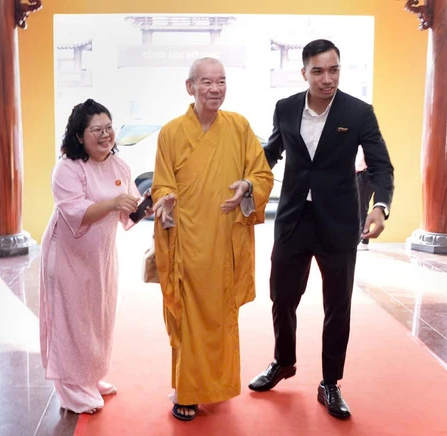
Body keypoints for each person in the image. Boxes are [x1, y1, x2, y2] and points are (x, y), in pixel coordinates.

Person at [248, 39, 395, 419]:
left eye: (334, 70)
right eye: (318, 71)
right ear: (304, 73)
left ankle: (330, 383)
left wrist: (380, 206)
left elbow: (381, 165)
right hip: (294, 219)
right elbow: (271, 152)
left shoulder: (358, 112)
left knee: (337, 306)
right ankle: (283, 361)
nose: (327, 79)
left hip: (339, 222)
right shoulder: (285, 108)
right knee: (282, 297)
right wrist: (248, 180)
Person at [151, 57, 274, 421]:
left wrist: (247, 186)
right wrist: (165, 201)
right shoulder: (171, 132)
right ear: (190, 87)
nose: (215, 89)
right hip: (187, 242)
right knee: (189, 318)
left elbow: (262, 174)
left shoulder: (238, 127)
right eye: (206, 82)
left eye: (221, 81)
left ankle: (216, 384)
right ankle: (187, 390)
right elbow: (161, 183)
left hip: (224, 242)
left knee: (221, 318)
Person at [39, 99, 148, 414]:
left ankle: (89, 376)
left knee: (98, 318)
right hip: (67, 257)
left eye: (108, 128)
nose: (105, 135)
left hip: (101, 258)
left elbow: (130, 213)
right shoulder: (67, 169)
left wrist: (150, 203)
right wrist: (114, 203)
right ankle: (71, 389)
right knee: (71, 321)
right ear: (79, 136)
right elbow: (77, 212)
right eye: (96, 130)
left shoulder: (119, 166)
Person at [355, 147, 373, 251]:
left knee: (362, 207)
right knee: (358, 207)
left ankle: (364, 241)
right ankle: (359, 238)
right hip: (359, 174)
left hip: (365, 174)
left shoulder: (367, 143)